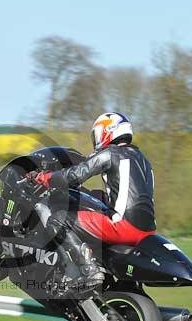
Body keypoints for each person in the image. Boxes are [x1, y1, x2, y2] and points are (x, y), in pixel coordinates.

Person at [29, 112, 156, 291]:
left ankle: (88, 269)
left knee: (58, 218)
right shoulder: (144, 161)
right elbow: (129, 193)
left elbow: (75, 175)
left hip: (122, 227)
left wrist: (45, 178)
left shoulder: (111, 153)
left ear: (109, 131)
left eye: (97, 133)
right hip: (147, 231)